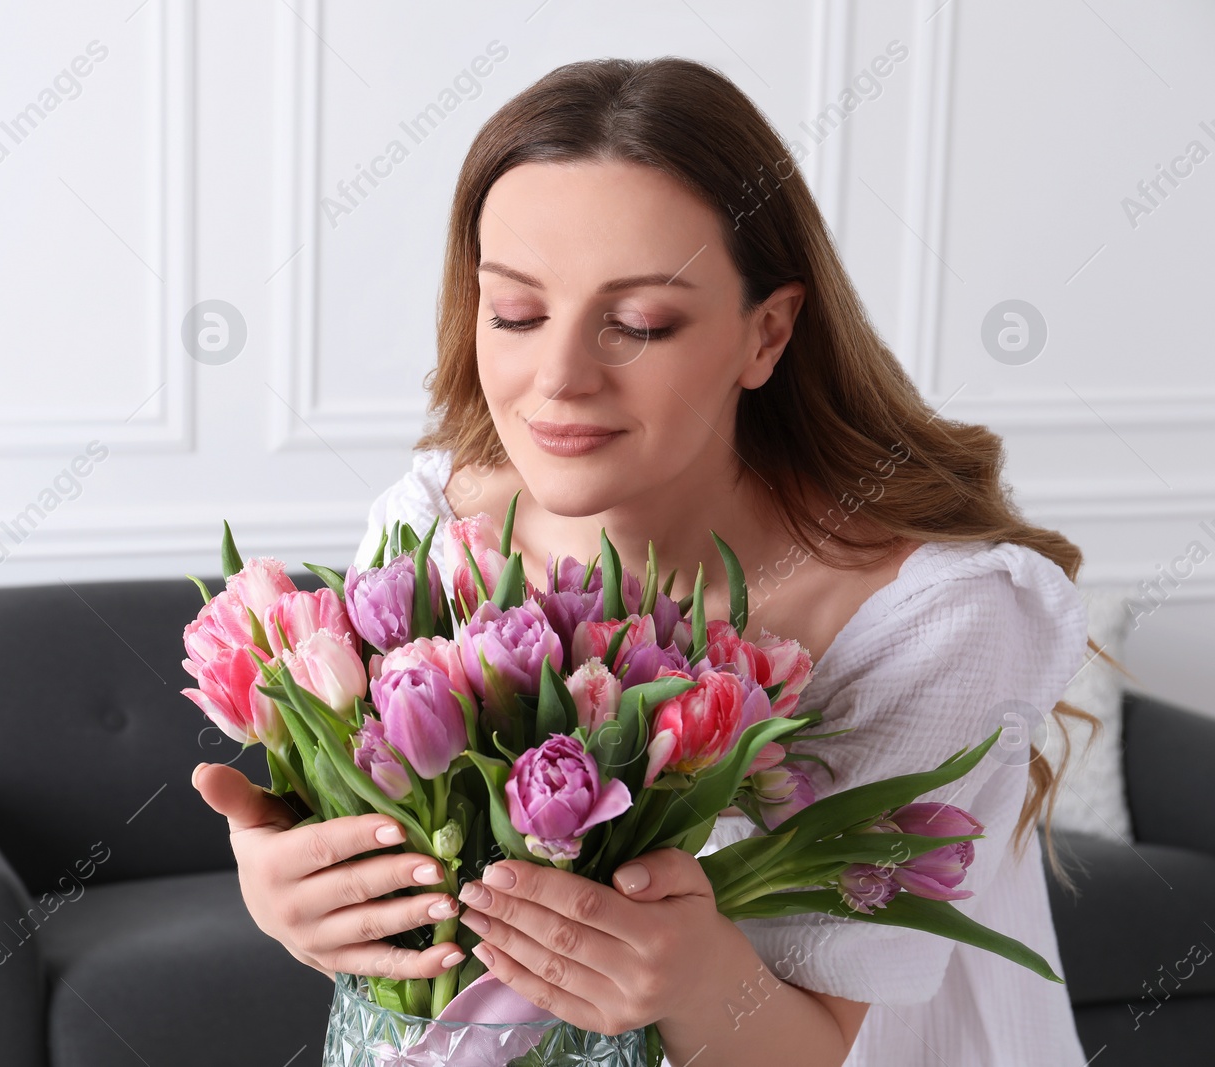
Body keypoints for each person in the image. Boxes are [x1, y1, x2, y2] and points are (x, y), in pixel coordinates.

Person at [194, 56, 1100, 1065]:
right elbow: (435, 960)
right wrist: (302, 898)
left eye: (637, 324)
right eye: (516, 312)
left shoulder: (933, 618)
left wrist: (696, 977)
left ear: (768, 333)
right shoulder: (434, 534)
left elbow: (820, 1044)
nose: (560, 377)